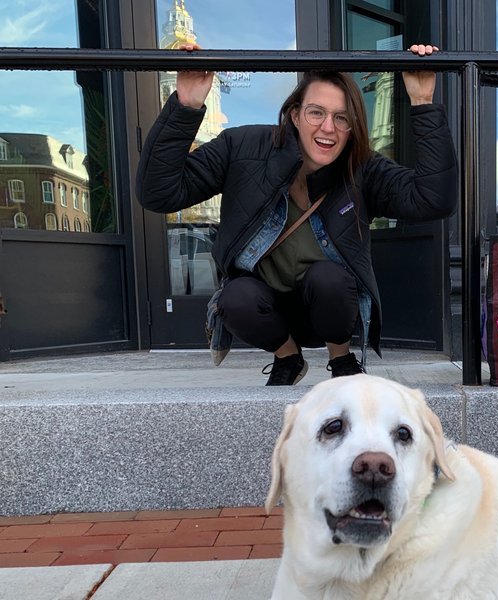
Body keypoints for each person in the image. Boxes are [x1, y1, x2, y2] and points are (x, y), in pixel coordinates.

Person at [136, 43, 458, 385]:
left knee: (329, 279)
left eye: (341, 118)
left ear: (352, 127)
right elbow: (158, 193)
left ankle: (342, 358)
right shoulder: (242, 148)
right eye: (316, 112)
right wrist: (186, 105)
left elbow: (433, 199)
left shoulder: (363, 168)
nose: (328, 128)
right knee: (235, 298)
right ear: (295, 115)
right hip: (265, 306)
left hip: (329, 306)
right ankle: (287, 357)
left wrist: (423, 102)